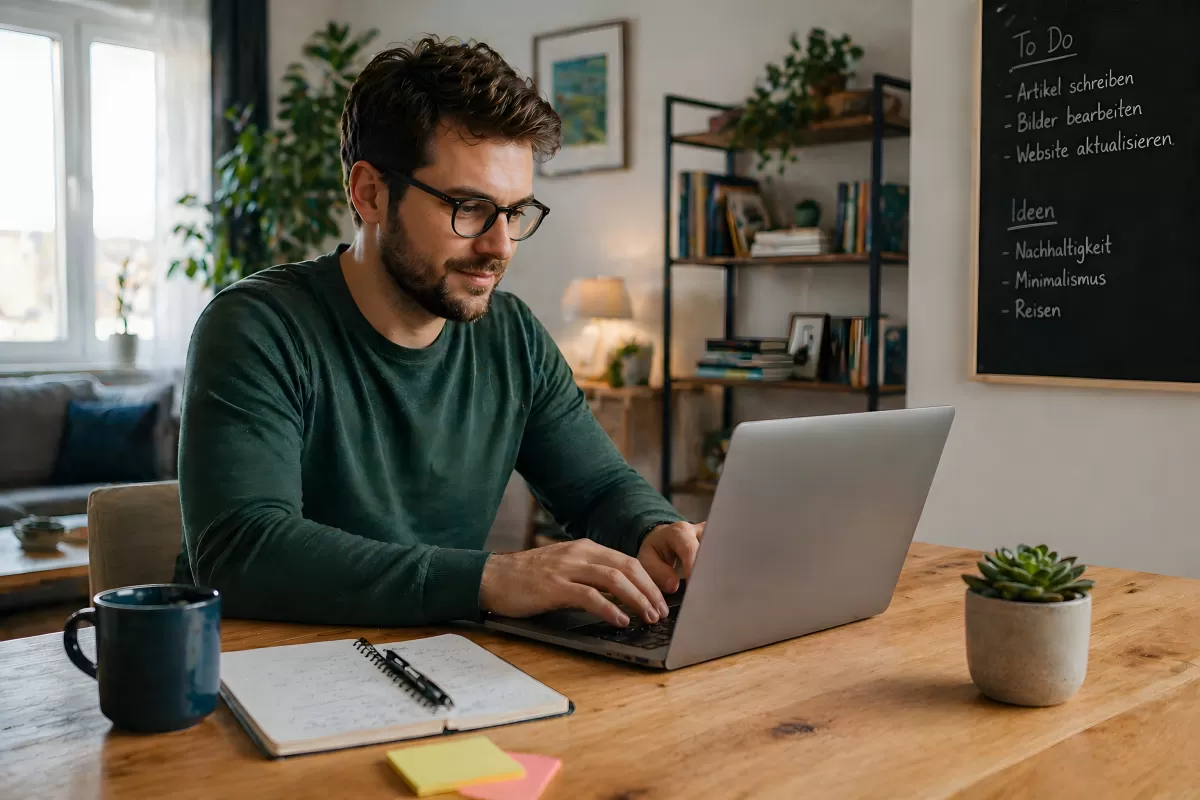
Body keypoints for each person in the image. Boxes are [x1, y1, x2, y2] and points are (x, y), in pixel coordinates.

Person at [172, 36, 704, 630]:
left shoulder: (513, 337)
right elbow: (243, 553)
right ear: (369, 193)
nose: (499, 246)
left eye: (515, 212)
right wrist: (491, 577)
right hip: (268, 672)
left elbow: (599, 487)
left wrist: (654, 529)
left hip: (443, 667)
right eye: (469, 208)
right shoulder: (257, 327)